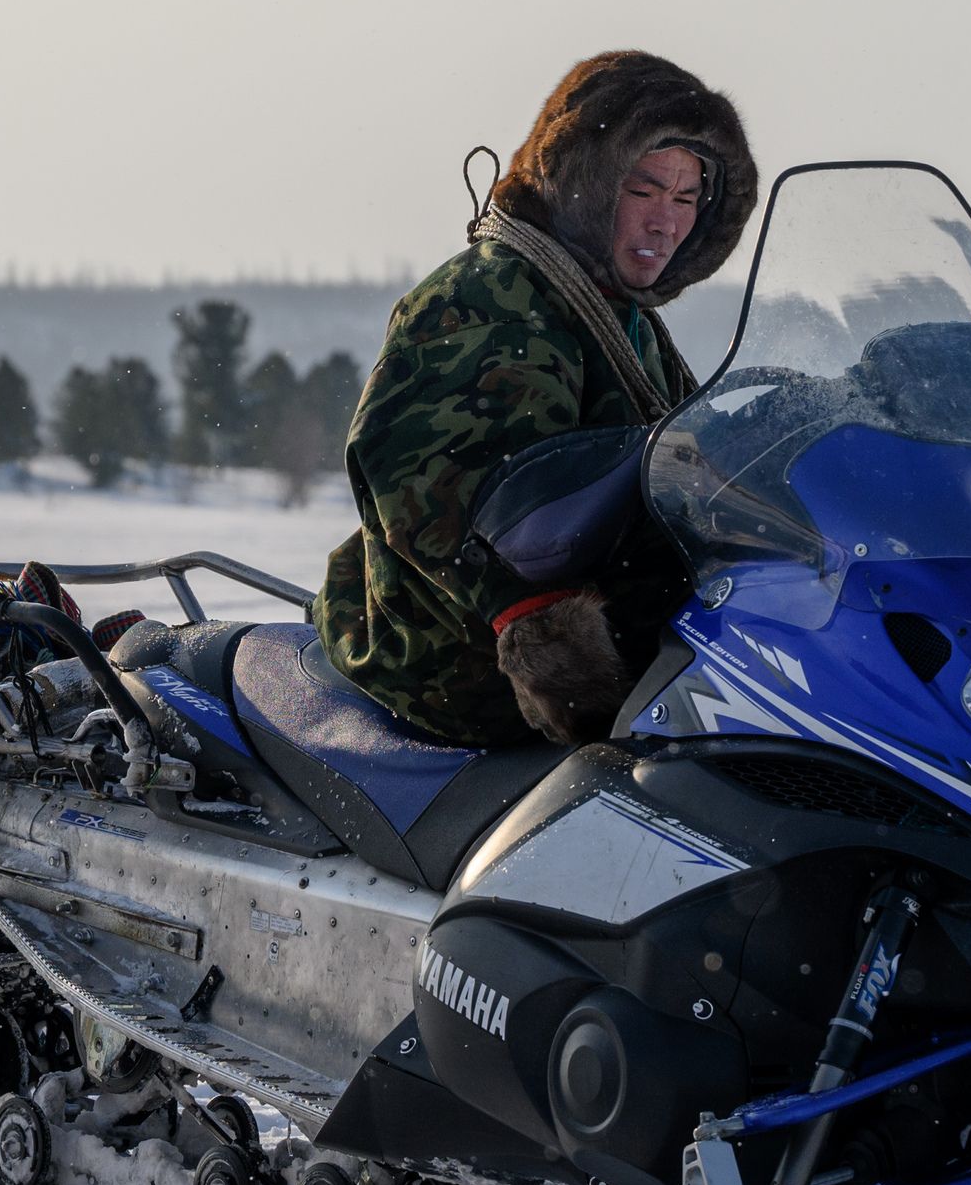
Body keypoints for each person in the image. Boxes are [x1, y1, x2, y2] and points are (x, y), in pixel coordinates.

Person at [312, 50, 757, 747]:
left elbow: (670, 461)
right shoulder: (488, 299)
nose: (665, 222)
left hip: (632, 663)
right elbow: (440, 483)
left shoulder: (621, 314)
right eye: (643, 190)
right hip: (455, 677)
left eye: (685, 198)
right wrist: (545, 637)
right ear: (585, 185)